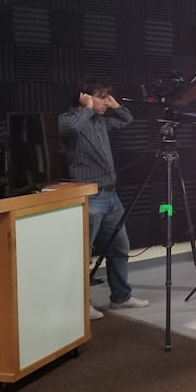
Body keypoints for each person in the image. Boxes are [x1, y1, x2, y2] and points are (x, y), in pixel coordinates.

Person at [58, 79, 149, 321]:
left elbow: (126, 119)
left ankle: (121, 297)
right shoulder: (68, 119)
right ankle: (81, 304)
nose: (106, 102)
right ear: (83, 97)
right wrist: (87, 108)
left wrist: (115, 104)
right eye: (101, 97)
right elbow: (69, 130)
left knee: (119, 248)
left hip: (111, 196)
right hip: (90, 196)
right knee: (82, 254)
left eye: (108, 97)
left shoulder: (100, 122)